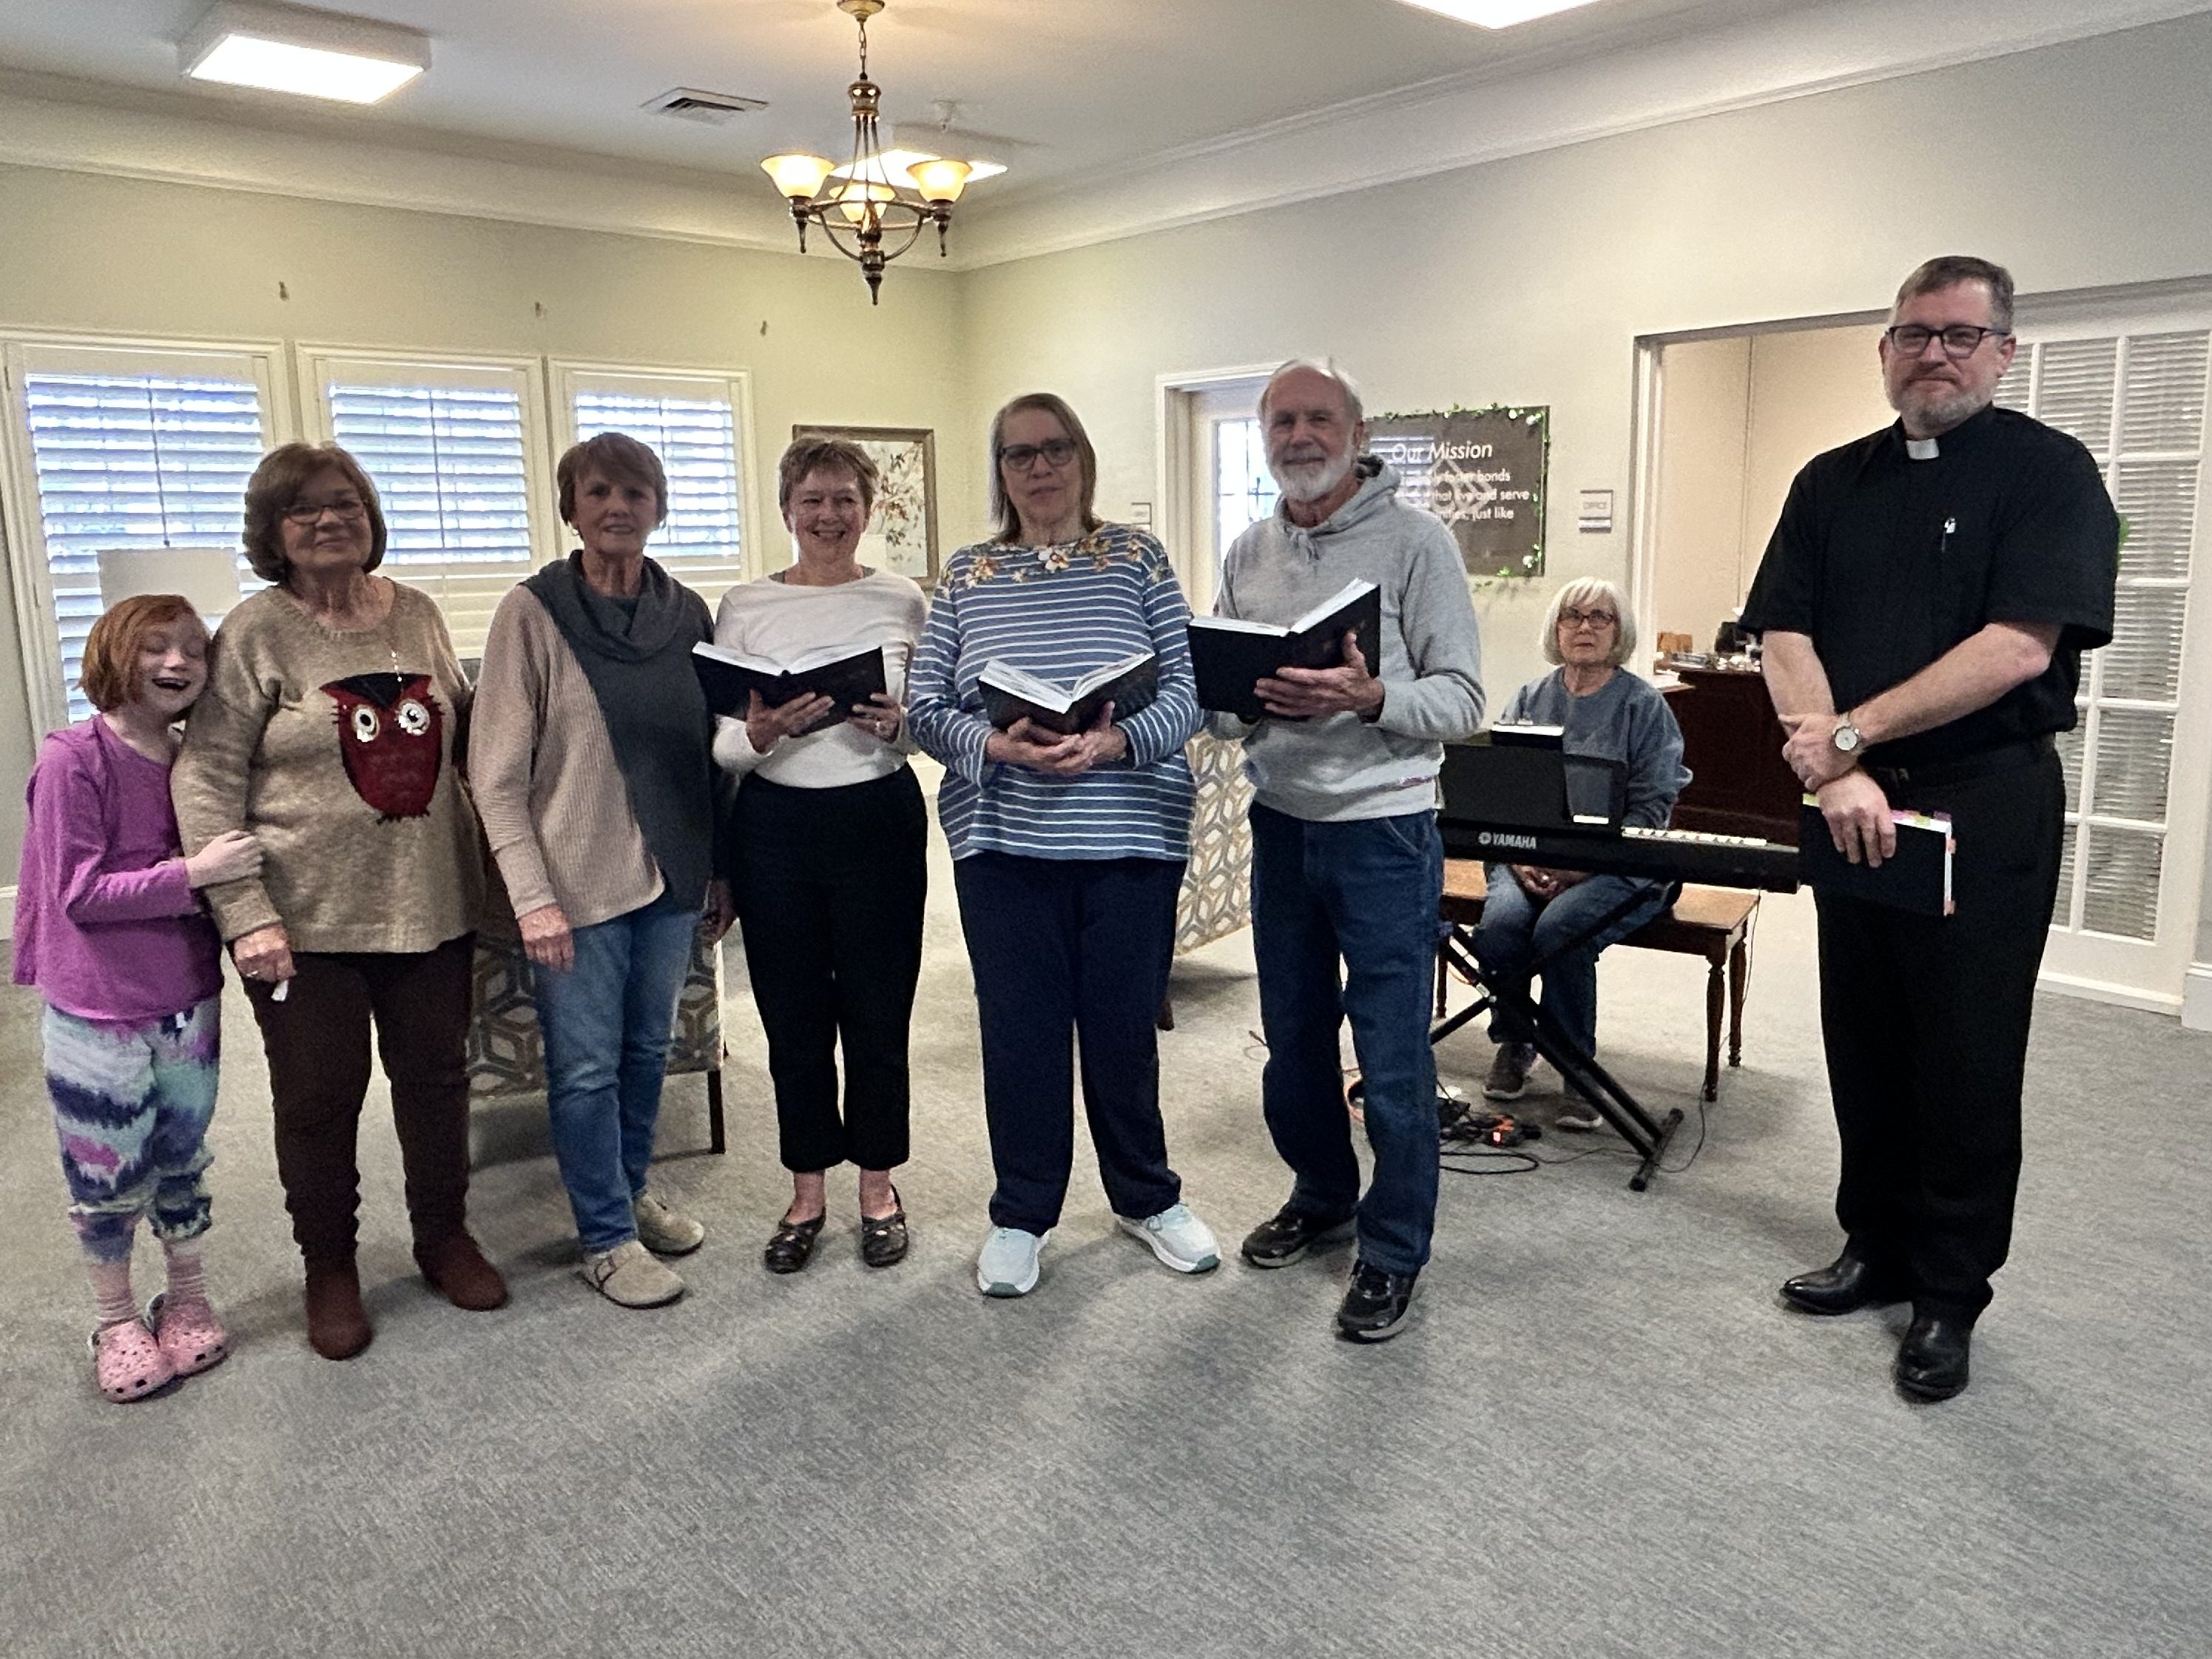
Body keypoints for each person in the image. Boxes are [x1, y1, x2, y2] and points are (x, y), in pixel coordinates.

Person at [1740, 255, 2118, 1402]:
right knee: (1860, 1032)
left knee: (1964, 1050)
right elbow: (1781, 632)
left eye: (1959, 335)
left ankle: (1949, 1291)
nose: (1934, 354)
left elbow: (2016, 647)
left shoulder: (2047, 473)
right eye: (1913, 333)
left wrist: (1848, 736)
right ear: (1885, 349)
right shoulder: (1829, 480)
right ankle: (1874, 1244)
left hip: (1980, 797)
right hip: (1848, 801)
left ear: (2002, 350)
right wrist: (1833, 766)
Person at [174, 443, 505, 1362]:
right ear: (273, 532)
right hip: (301, 920)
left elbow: (468, 736)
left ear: (370, 514)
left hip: (432, 902)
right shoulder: (256, 631)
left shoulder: (419, 612)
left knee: (436, 1083)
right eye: (305, 508)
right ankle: (330, 1267)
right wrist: (245, 914)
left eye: (346, 502)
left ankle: (443, 1236)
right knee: (319, 1100)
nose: (329, 519)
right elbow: (205, 776)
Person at [908, 391, 1217, 1299]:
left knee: (1122, 1031)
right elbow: (925, 707)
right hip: (1003, 841)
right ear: (999, 471)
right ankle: (1021, 1213)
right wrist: (996, 745)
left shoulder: (1136, 557)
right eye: (1018, 454)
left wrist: (1115, 741)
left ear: (1081, 457)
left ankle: (1146, 1198)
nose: (1038, 468)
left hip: (1131, 834)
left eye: (1053, 449)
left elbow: (1189, 689)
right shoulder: (966, 573)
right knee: (1020, 1036)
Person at [1218, 357, 1485, 1343]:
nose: (1299, 436)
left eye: (1318, 418)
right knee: (1292, 1040)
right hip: (1280, 824)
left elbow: (1463, 701)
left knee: (1390, 1053)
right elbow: (1220, 710)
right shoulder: (1248, 549)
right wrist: (1240, 699)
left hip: (1384, 831)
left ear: (1357, 433)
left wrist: (1368, 696)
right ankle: (1321, 1193)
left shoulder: (1418, 543)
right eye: (1281, 421)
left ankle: (1393, 1248)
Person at [472, 432, 731, 1310]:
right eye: (598, 492)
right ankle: (604, 1239)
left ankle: (626, 1191)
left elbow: (712, 750)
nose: (617, 507)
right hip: (574, 883)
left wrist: (719, 869)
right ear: (570, 508)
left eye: (635, 492)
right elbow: (494, 775)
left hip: (671, 874)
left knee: (647, 1051)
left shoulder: (686, 613)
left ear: (659, 507)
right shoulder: (532, 612)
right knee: (585, 1068)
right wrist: (531, 897)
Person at [13, 597, 258, 1401]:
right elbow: (78, 893)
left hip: (187, 998)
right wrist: (195, 874)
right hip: (97, 1009)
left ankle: (186, 1298)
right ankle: (116, 1319)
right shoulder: (72, 760)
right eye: (156, 646)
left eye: (193, 648)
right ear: (116, 654)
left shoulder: (195, 762)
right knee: (106, 1170)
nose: (177, 662)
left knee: (183, 1157)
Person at [713, 437, 928, 1273]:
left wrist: (899, 727)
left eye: (845, 500)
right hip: (775, 828)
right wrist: (762, 731)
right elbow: (724, 744)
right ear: (786, 511)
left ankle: (878, 1188)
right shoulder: (745, 605)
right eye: (812, 499)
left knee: (879, 1010)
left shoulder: (902, 597)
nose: (828, 515)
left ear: (868, 512)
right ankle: (806, 1192)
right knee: (792, 1017)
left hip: (877, 818)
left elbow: (926, 722)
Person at [1475, 576, 1689, 1128]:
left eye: (1600, 617)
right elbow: (1502, 793)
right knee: (1499, 929)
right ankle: (1516, 1042)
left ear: (1619, 631)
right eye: (1572, 615)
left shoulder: (1643, 706)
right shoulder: (1530, 698)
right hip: (1527, 855)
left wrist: (1580, 867)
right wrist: (1521, 860)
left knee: (1561, 929)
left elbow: (1653, 808)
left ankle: (1576, 1067)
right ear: (1557, 628)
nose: (1584, 627)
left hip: (1621, 862)